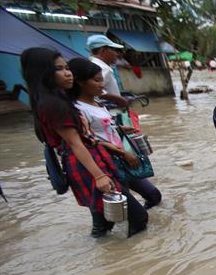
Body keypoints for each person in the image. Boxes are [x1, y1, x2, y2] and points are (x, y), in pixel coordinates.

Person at [21, 47, 148, 238]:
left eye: (67, 67)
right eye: (59, 69)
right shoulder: (55, 105)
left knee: (104, 219)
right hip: (86, 163)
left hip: (89, 160)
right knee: (138, 217)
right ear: (43, 73)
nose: (67, 73)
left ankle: (103, 256)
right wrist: (99, 176)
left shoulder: (59, 101)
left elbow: (84, 136)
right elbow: (75, 144)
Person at [68, 57, 162, 210]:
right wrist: (122, 153)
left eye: (102, 80)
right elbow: (87, 140)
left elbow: (101, 129)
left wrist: (119, 129)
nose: (102, 84)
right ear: (80, 82)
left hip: (122, 159)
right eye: (97, 81)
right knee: (121, 208)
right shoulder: (78, 109)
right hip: (106, 163)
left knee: (153, 195)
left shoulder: (97, 103)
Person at [86, 34, 127, 108]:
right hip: (110, 109)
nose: (116, 54)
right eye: (113, 50)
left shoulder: (93, 63)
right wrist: (120, 100)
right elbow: (95, 90)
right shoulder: (102, 68)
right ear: (103, 51)